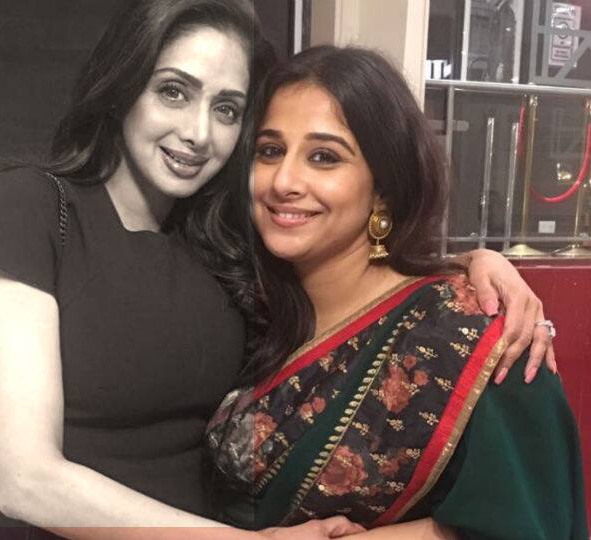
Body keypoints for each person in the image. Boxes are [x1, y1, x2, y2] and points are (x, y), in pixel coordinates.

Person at [0, 1, 554, 537]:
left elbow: (357, 287)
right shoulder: (32, 209)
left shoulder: (222, 244)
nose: (197, 133)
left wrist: (477, 263)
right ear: (122, 87)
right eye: (173, 91)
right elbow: (30, 481)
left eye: (227, 109)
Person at [205, 45, 587, 539]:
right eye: (270, 151)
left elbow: (527, 524)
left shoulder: (476, 335)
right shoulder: (244, 302)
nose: (283, 181)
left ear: (383, 185)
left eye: (324, 157)